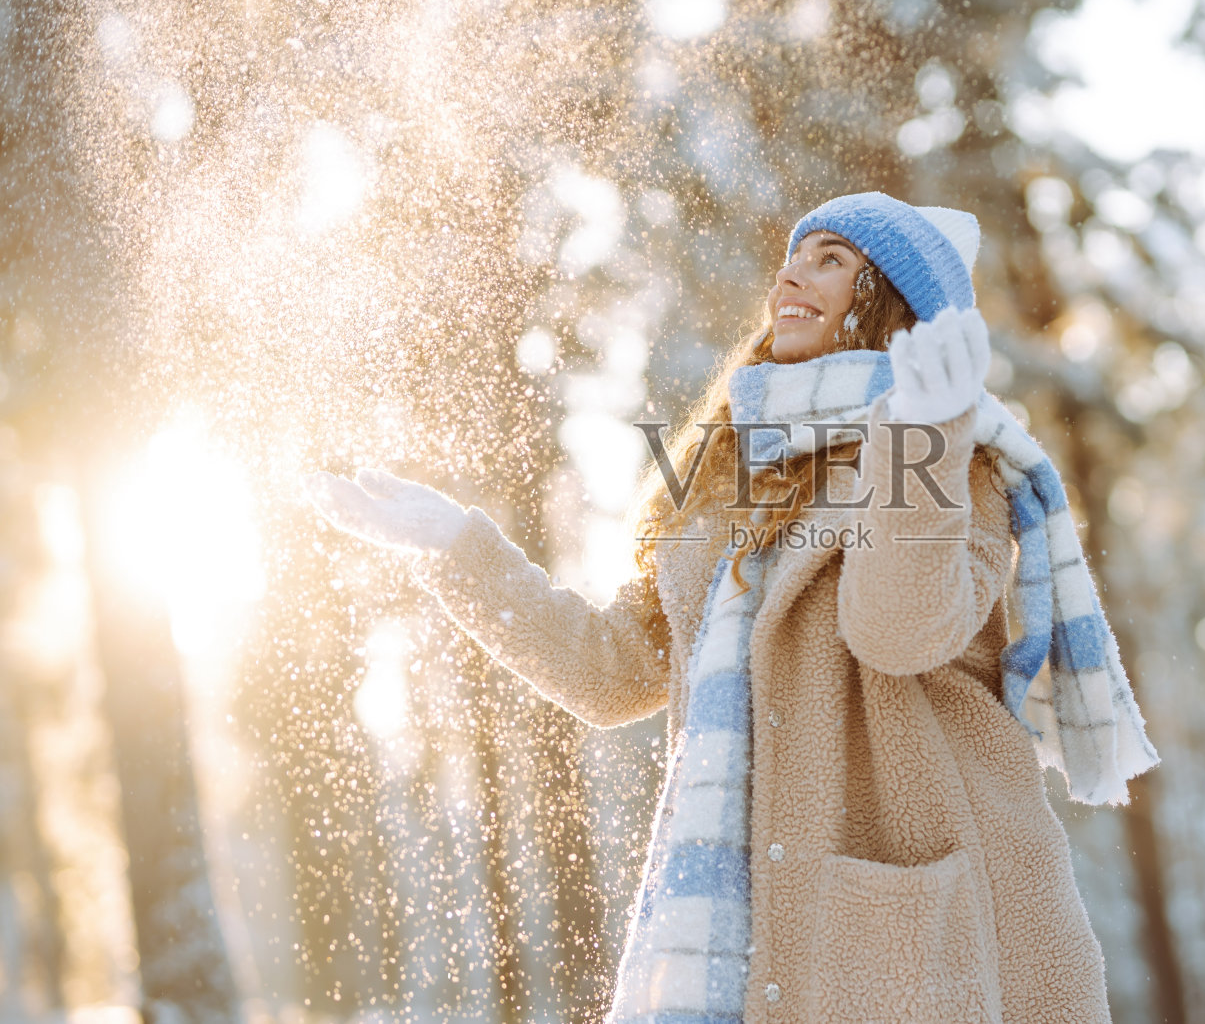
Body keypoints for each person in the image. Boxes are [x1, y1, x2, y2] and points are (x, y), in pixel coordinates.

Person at [306, 190, 1159, 1024]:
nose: (792, 275)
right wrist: (459, 550)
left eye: (831, 260)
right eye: (793, 257)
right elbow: (612, 672)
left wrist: (920, 434)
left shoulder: (956, 465)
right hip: (722, 926)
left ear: (891, 307)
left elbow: (896, 632)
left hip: (899, 933)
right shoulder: (725, 480)